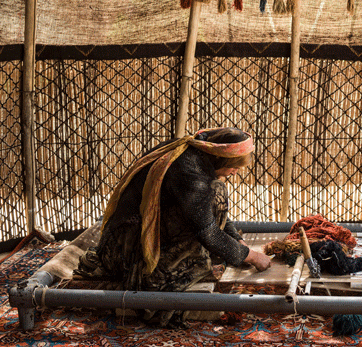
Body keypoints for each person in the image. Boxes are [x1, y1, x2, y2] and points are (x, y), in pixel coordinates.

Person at [76, 127, 271, 326]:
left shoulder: (190, 153)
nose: (235, 172)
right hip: (128, 252)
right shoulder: (189, 171)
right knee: (218, 191)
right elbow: (208, 232)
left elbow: (206, 214)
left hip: (123, 240)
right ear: (221, 159)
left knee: (216, 191)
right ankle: (161, 274)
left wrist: (238, 242)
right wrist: (252, 256)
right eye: (234, 166)